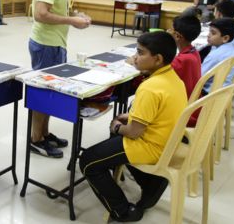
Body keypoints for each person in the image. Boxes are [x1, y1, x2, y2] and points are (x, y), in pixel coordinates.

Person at [80, 31, 187, 222]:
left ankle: (123, 211)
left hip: (151, 146)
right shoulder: (173, 78)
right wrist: (132, 115)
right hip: (167, 140)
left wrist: (116, 127)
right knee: (113, 142)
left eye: (140, 53)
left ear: (158, 59)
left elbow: (134, 132)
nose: (135, 57)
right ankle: (152, 185)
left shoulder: (149, 87)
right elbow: (160, 111)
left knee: (88, 160)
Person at [28, 0, 91, 158]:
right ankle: (36, 139)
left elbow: (55, 8)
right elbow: (41, 14)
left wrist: (74, 16)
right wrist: (71, 21)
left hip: (55, 43)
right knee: (43, 92)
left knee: (51, 91)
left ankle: (44, 134)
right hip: (46, 44)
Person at [169, 15, 202, 99]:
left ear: (177, 36)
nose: (168, 31)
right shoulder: (194, 51)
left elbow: (158, 72)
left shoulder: (181, 60)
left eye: (170, 29)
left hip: (185, 107)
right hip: (193, 101)